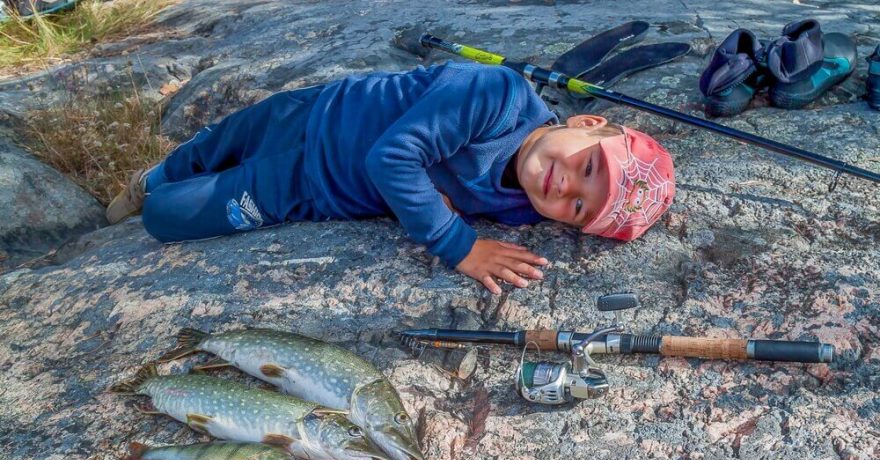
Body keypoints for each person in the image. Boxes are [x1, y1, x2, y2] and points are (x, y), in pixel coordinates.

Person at [107, 62, 675, 294]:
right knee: (215, 146)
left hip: (309, 190)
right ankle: (150, 177)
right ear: (586, 123)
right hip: (317, 115)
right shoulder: (496, 94)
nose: (566, 187)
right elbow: (393, 159)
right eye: (588, 166)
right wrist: (459, 244)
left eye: (579, 208)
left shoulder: (526, 204)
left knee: (165, 219)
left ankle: (157, 197)